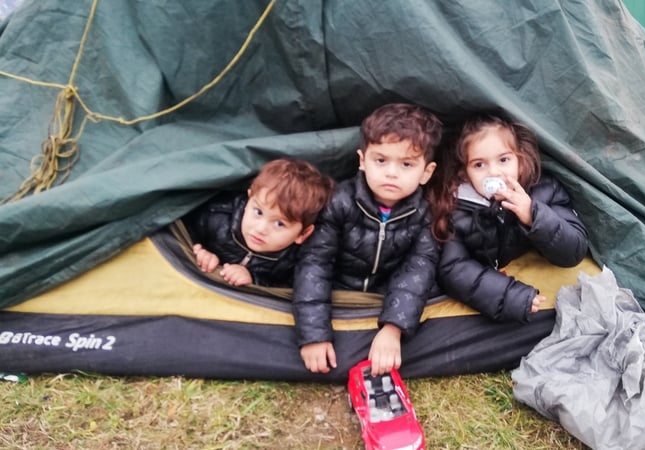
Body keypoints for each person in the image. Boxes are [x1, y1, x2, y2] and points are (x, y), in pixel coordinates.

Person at [292, 103, 442, 377]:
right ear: (362, 160)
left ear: (426, 172)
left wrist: (393, 329)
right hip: (337, 290)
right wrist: (314, 334)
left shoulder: (425, 214)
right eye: (380, 160)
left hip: (382, 296)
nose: (391, 172)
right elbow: (315, 264)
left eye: (406, 164)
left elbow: (418, 270)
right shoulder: (339, 202)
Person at [428, 114, 588, 323]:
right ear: (465, 173)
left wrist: (533, 215)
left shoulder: (544, 191)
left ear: (520, 163)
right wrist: (512, 296)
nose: (494, 172)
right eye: (479, 165)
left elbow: (574, 250)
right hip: (497, 286)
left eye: (503, 160)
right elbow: (453, 269)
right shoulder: (454, 209)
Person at [184, 158, 334, 287]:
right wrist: (201, 251)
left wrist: (253, 279)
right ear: (250, 197)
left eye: (279, 224)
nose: (261, 229)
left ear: (303, 234)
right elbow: (184, 229)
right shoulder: (218, 217)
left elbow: (290, 287)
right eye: (258, 212)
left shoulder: (295, 259)